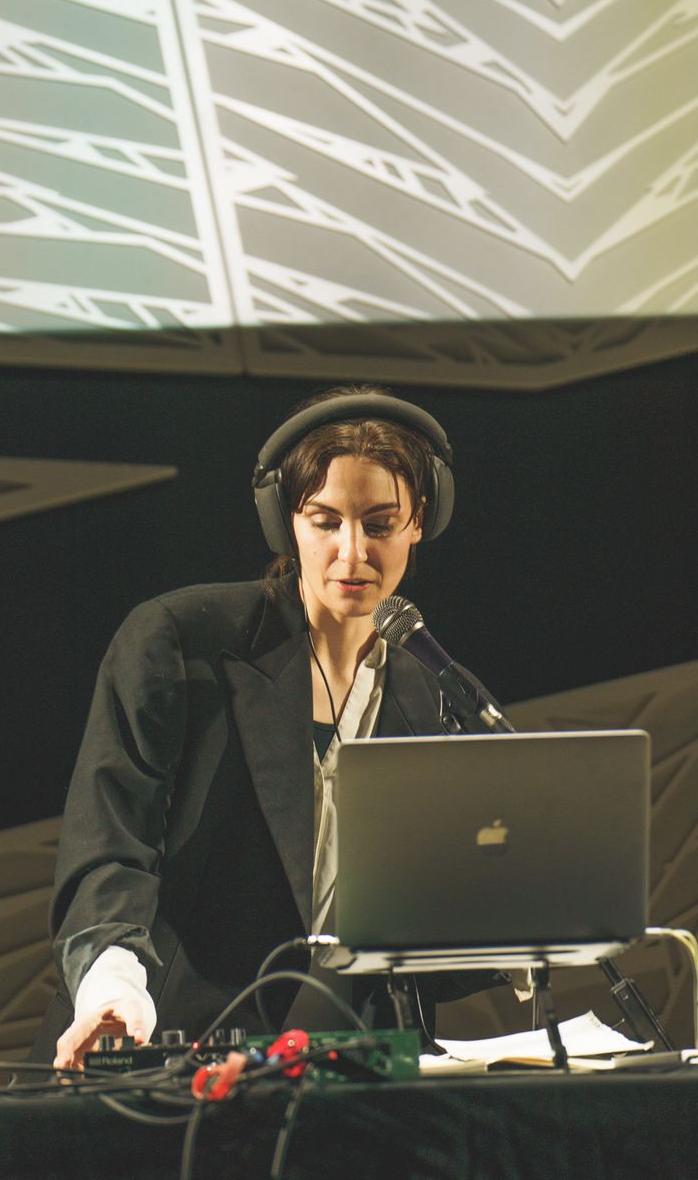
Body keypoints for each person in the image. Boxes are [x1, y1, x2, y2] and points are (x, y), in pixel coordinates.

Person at [32, 387, 499, 1070]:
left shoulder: (429, 693)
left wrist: (517, 923)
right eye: (325, 521)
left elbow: (422, 933)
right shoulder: (181, 641)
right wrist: (113, 989)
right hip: (165, 1049)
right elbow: (109, 845)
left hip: (344, 1068)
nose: (352, 553)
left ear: (419, 522)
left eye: (379, 524)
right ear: (285, 521)